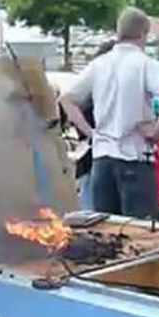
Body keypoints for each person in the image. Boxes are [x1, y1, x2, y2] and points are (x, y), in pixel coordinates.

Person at [59, 8, 159, 219]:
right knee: (142, 233)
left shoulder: (99, 64)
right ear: (143, 34)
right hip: (135, 156)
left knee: (107, 232)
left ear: (118, 32)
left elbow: (67, 99)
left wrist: (91, 132)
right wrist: (157, 130)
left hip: (102, 158)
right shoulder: (146, 65)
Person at [59, 39, 116, 211]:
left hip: (95, 162)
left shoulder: (95, 91)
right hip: (93, 162)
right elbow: (66, 102)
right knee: (92, 215)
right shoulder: (91, 93)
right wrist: (92, 134)